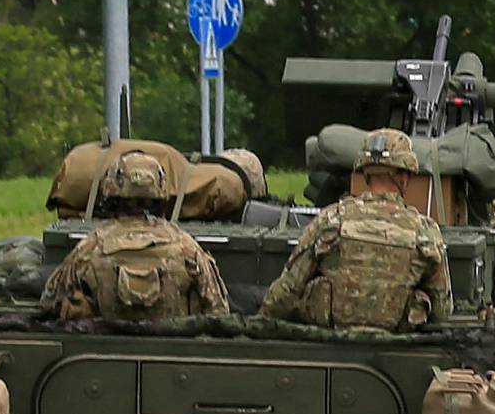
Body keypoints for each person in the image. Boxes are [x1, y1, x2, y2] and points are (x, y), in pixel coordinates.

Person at [261, 127, 453, 330]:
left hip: (332, 343)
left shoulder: (331, 219)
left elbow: (289, 288)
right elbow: (442, 310)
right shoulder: (425, 231)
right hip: (395, 346)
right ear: (404, 178)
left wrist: (259, 324)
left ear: (366, 174)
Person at [40, 150, 231, 322]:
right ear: (160, 190)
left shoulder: (90, 247)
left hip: (104, 355)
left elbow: (50, 302)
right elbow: (218, 312)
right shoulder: (187, 247)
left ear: (111, 191)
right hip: (174, 355)